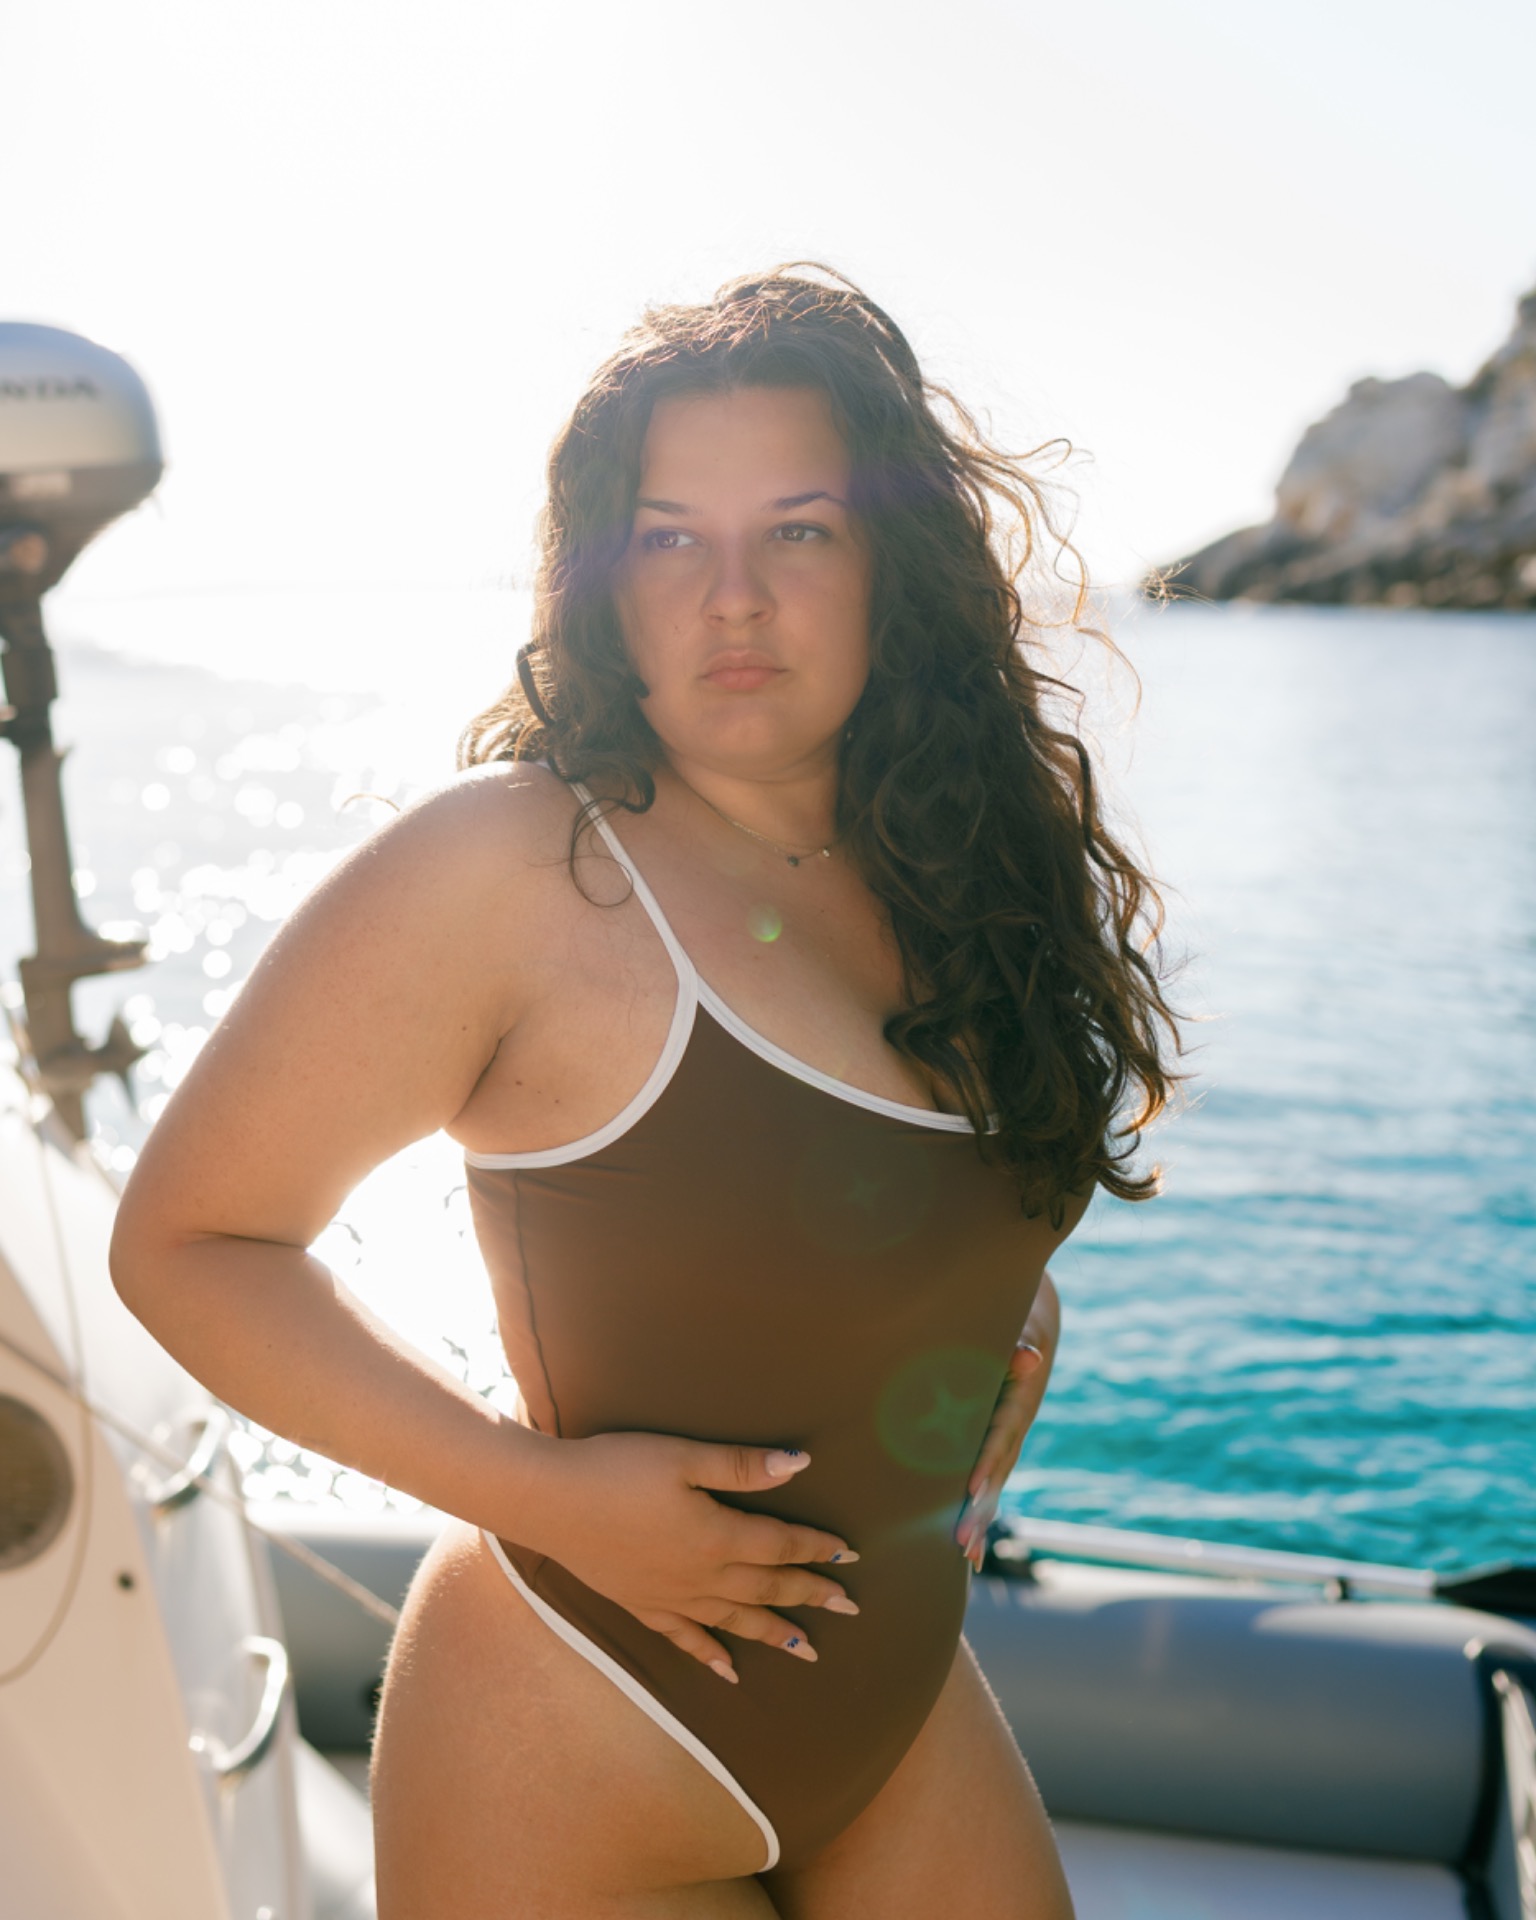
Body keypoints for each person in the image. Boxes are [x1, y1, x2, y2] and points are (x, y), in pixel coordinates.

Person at [111, 264, 1180, 1918]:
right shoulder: (513, 865)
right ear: (606, 583)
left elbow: (868, 1196)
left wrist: (993, 1301)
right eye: (671, 538)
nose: (731, 597)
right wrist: (541, 1496)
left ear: (894, 565)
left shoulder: (961, 872)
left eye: (799, 530)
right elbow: (188, 1245)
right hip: (576, 1731)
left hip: (898, 1711)